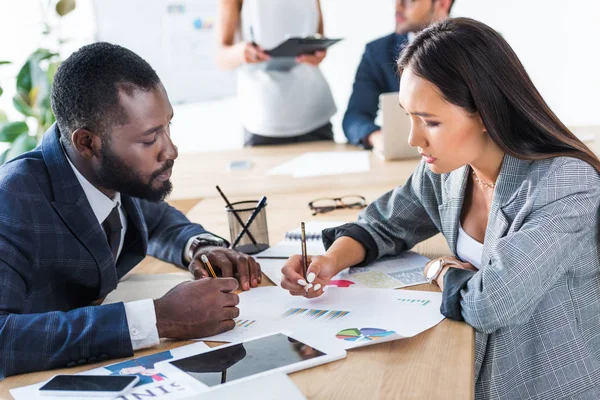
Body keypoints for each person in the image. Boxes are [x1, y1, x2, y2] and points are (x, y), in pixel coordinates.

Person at [281, 18, 600, 399]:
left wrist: (439, 267)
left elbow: (489, 303)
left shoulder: (564, 183)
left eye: (430, 121)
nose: (415, 138)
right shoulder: (448, 169)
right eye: (408, 116)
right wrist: (331, 261)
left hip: (543, 384)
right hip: (470, 367)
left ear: (484, 113)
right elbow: (383, 224)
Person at [0, 42, 262, 380]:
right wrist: (158, 319)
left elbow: (156, 219)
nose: (172, 150)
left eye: (168, 126)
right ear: (87, 142)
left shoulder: (111, 171)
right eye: (150, 139)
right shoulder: (13, 202)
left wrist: (201, 247)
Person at [217, 0, 336, 146]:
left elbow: (318, 40)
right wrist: (242, 52)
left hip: (315, 111)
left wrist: (318, 53)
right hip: (265, 117)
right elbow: (220, 57)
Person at [343, 0, 454, 150]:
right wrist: (378, 139)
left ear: (442, 3)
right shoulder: (378, 52)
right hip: (409, 158)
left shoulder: (478, 47)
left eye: (408, 1)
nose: (397, 7)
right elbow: (354, 117)